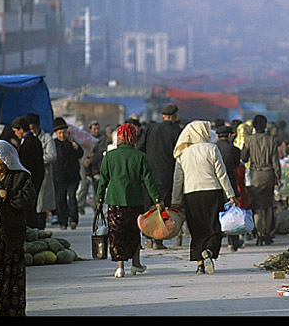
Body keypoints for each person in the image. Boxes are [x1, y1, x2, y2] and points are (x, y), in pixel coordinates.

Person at [0, 140, 37, 316]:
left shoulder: (21, 177)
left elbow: (28, 199)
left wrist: (10, 195)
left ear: (7, 159)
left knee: (11, 280)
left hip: (11, 239)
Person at [95, 123, 161, 278]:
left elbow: (103, 180)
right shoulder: (140, 156)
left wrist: (99, 199)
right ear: (133, 137)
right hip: (135, 200)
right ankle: (136, 263)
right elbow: (149, 180)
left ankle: (120, 267)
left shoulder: (109, 156)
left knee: (117, 233)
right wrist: (157, 199)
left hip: (115, 200)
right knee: (134, 232)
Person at [171, 120, 237, 274]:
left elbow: (178, 180)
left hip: (191, 194)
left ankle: (200, 264)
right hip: (212, 192)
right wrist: (230, 194)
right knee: (214, 227)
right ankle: (209, 251)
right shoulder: (212, 149)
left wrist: (175, 200)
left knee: (196, 229)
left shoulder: (182, 154)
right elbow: (222, 174)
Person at [136, 104, 182, 250]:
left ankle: (147, 236)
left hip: (148, 174)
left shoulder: (151, 128)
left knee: (148, 206)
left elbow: (140, 148)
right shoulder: (177, 132)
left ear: (163, 116)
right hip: (166, 175)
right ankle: (158, 240)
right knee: (161, 207)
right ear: (175, 116)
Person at [240, 114, 281, 246]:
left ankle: (258, 235)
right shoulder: (271, 140)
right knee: (268, 205)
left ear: (253, 126)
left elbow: (244, 157)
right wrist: (278, 177)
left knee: (257, 206)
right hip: (268, 174)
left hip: (255, 175)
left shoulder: (249, 140)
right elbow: (276, 161)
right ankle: (267, 234)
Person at [11, 116, 45, 229]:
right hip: (34, 177)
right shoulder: (30, 141)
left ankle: (32, 227)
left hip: (33, 178)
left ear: (21, 129)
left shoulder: (30, 142)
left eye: (16, 131)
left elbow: (28, 162)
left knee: (30, 205)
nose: (16, 134)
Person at [216, 125, 244, 252]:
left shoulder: (212, 148)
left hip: (215, 184)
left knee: (217, 212)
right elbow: (236, 165)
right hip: (230, 182)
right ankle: (232, 241)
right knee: (232, 212)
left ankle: (217, 239)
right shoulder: (234, 150)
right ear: (229, 136)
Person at [52, 117, 84, 230]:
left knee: (71, 198)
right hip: (59, 176)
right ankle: (63, 221)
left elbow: (80, 154)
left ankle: (74, 220)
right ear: (56, 133)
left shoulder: (71, 142)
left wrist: (76, 148)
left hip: (72, 176)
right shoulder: (53, 144)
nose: (62, 135)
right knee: (60, 199)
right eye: (59, 133)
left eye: (64, 132)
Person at [27, 113, 57, 229]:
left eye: (33, 126)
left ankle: (41, 229)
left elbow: (52, 156)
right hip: (31, 174)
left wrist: (37, 160)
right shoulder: (27, 139)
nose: (32, 128)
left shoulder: (47, 138)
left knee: (42, 205)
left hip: (44, 173)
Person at [77, 120, 108, 214]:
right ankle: (80, 205)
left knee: (97, 186)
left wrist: (91, 159)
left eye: (97, 129)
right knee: (84, 184)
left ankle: (96, 205)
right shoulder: (85, 138)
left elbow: (100, 153)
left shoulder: (102, 139)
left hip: (96, 166)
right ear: (90, 130)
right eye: (94, 129)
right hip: (84, 165)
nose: (96, 131)